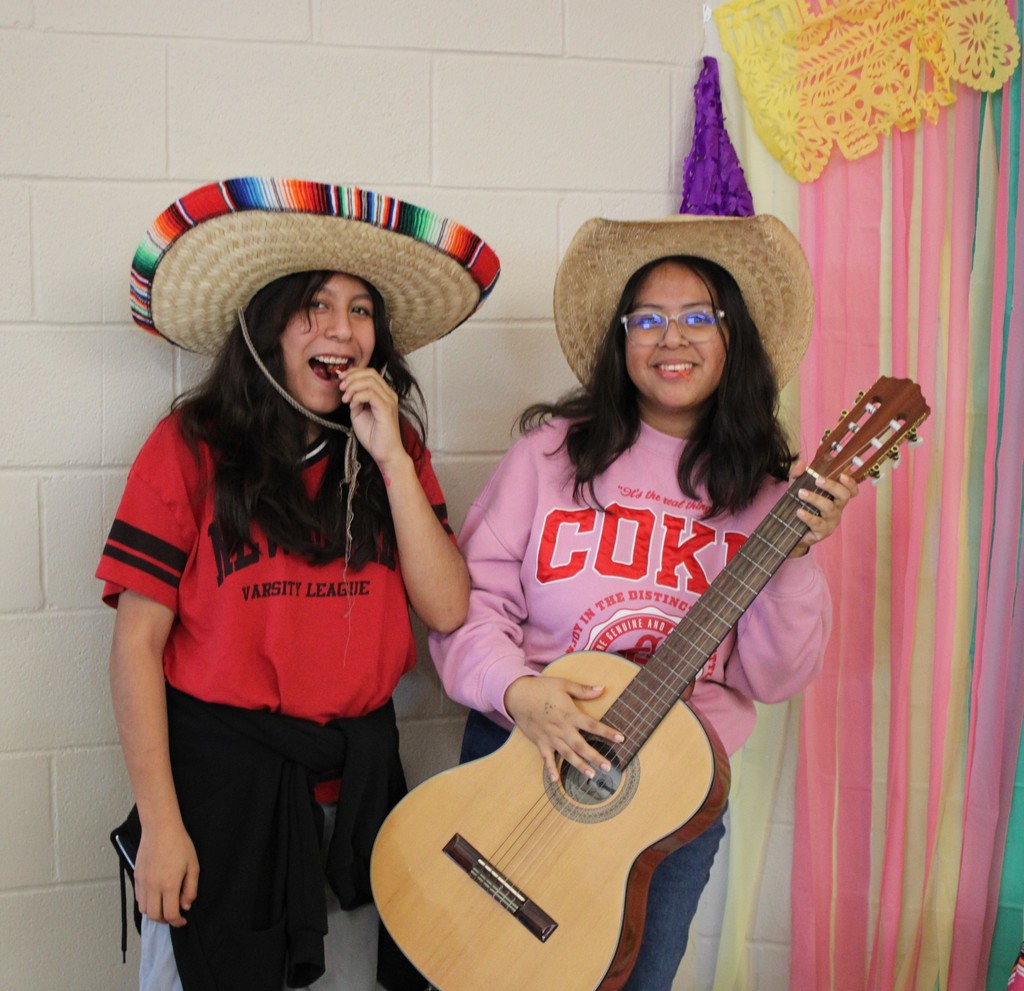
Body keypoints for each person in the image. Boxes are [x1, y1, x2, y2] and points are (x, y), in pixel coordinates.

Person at [429, 212, 857, 990]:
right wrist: (517, 690)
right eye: (649, 319)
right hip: (520, 760)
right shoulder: (547, 456)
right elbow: (471, 605)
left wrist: (794, 558)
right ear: (621, 339)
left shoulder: (768, 498)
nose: (672, 338)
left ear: (734, 339)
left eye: (699, 317)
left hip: (669, 799)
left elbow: (773, 676)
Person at [98, 176, 499, 991]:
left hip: (356, 792)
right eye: (314, 305)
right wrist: (162, 826)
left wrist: (390, 458)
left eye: (361, 310)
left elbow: (447, 606)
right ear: (269, 325)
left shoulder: (394, 450)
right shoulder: (189, 445)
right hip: (219, 797)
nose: (341, 329)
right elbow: (136, 645)